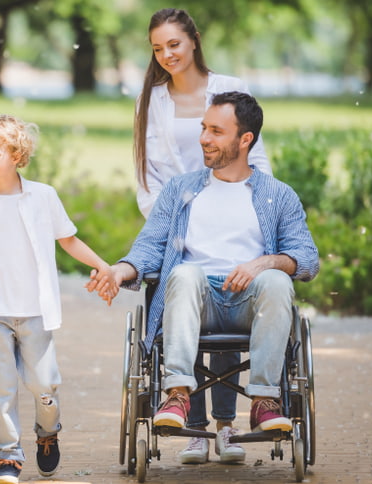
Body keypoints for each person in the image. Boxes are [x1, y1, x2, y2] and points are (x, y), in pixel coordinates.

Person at [90, 92, 319, 460]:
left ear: (245, 139)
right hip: (195, 299)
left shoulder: (279, 196)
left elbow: (307, 260)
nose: (204, 139)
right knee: (183, 273)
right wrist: (120, 271)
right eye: (203, 128)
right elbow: (149, 247)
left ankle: (264, 400)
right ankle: (178, 395)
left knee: (278, 279)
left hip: (250, 300)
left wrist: (262, 263)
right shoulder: (181, 191)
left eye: (216, 130)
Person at [132, 7, 273, 465]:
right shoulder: (153, 99)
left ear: (193, 39)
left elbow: (258, 156)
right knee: (185, 291)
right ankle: (193, 426)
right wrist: (172, 219)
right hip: (174, 223)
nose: (167, 54)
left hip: (234, 212)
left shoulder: (229, 90)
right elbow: (147, 172)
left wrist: (258, 210)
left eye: (174, 43)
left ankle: (227, 427)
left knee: (230, 287)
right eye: (158, 48)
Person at [0, 114, 117, 484]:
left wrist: (104, 266)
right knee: (1, 390)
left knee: (44, 385)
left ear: (16, 154)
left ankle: (48, 431)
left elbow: (68, 239)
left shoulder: (43, 197)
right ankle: (9, 457)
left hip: (36, 311)